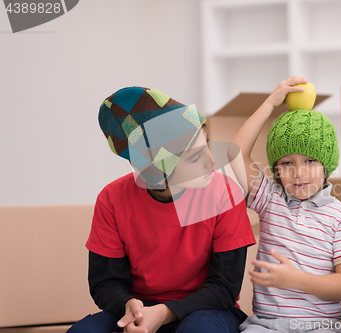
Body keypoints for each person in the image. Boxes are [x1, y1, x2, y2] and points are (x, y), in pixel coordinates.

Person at [67, 86, 256, 333]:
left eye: (206, 146)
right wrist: (129, 307)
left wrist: (164, 313)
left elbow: (224, 288)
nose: (211, 162)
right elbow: (106, 283)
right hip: (139, 310)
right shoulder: (112, 199)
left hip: (206, 310)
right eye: (194, 157)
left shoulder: (225, 193)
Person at [231, 76, 341, 332]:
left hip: (321, 326)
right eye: (287, 163)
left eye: (309, 161)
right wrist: (271, 102)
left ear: (326, 164)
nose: (298, 172)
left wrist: (294, 279)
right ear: (276, 169)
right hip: (266, 325)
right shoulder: (269, 199)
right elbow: (236, 151)